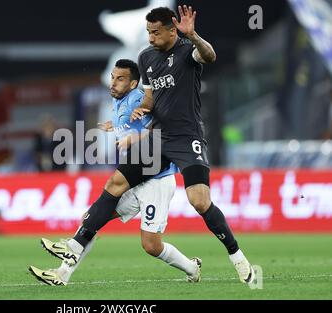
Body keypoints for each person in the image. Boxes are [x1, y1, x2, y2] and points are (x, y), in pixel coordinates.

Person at [35, 5, 254, 285]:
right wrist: (142, 111)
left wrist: (194, 35)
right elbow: (151, 99)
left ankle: (237, 256)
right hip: (158, 139)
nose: (150, 38)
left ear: (172, 30)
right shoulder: (146, 57)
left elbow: (210, 56)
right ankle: (70, 254)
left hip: (187, 137)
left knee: (199, 201)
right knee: (114, 184)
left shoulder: (188, 50)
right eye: (148, 32)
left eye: (156, 32)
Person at [29, 59, 201, 286]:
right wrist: (116, 126)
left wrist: (136, 137)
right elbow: (133, 124)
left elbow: (164, 130)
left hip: (156, 179)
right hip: (135, 178)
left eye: (120, 79)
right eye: (112, 77)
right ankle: (62, 274)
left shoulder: (140, 98)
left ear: (132, 84)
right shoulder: (118, 99)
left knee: (151, 245)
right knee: (91, 221)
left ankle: (191, 267)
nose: (113, 83)